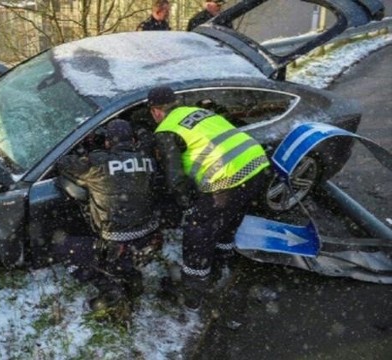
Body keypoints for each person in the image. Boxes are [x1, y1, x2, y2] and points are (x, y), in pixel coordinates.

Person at [146, 86, 271, 310]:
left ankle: (193, 290)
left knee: (198, 230)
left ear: (155, 112)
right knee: (230, 216)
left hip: (227, 179)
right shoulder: (200, 112)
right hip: (257, 165)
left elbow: (175, 178)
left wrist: (186, 205)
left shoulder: (165, 129)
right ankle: (221, 260)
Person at [55, 119, 161, 321]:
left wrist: (85, 152)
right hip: (149, 236)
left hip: (116, 241)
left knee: (62, 246)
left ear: (107, 143)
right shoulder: (147, 160)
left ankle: (111, 288)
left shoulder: (98, 164)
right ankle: (128, 273)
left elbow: (63, 163)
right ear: (132, 139)